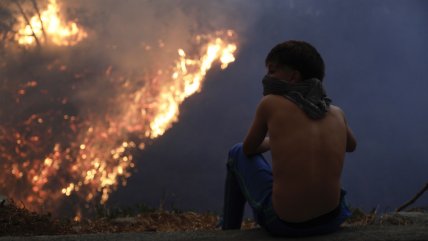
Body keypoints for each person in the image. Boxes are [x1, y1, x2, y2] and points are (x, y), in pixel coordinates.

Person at [221, 40, 357, 237]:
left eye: (272, 71)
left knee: (236, 152)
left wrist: (271, 141)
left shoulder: (270, 103)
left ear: (293, 76)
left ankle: (228, 231)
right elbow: (351, 146)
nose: (267, 77)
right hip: (332, 219)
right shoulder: (336, 112)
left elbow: (249, 149)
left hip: (286, 224)